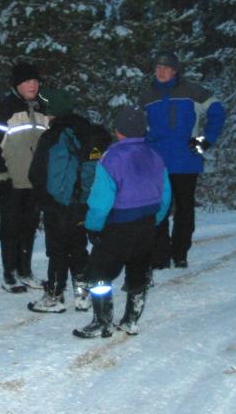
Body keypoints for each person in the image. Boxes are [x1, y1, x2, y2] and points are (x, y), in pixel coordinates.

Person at [73, 107, 171, 338]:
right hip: (146, 224)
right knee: (138, 271)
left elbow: (100, 202)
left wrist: (93, 226)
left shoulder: (111, 158)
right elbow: (165, 195)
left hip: (118, 225)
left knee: (100, 273)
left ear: (117, 131)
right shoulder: (155, 156)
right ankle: (131, 320)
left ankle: (102, 322)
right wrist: (155, 219)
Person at [27, 90, 112, 313]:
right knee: (78, 246)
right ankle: (82, 293)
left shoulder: (53, 136)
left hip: (58, 204)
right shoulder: (86, 131)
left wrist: (43, 198)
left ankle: (54, 295)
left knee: (57, 249)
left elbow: (37, 172)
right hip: (82, 203)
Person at [139, 51, 225, 269]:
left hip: (186, 161)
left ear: (175, 71)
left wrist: (205, 140)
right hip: (157, 163)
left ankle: (180, 254)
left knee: (184, 210)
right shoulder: (146, 96)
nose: (161, 72)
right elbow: (138, 126)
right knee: (158, 210)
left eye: (166, 68)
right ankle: (160, 256)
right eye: (158, 68)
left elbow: (217, 111)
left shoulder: (193, 91)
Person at [0, 62, 48, 293]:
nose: (33, 85)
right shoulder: (3, 110)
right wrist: (0, 174)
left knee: (29, 226)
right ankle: (9, 273)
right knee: (11, 227)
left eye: (36, 81)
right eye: (28, 81)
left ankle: (25, 271)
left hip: (35, 180)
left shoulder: (42, 108)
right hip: (12, 179)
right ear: (17, 84)